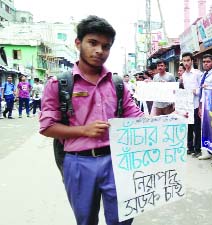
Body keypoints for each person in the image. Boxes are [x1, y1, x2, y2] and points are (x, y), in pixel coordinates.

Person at [39, 15, 143, 225]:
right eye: (93, 43)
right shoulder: (59, 83)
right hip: (78, 162)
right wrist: (84, 131)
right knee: (85, 220)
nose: (99, 51)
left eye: (106, 46)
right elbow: (47, 126)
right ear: (78, 43)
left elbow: (136, 117)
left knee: (123, 219)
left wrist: (169, 121)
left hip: (118, 161)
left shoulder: (117, 83)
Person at [181, 52, 202, 157]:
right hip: (187, 105)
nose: (186, 63)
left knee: (196, 128)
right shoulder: (183, 75)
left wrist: (196, 91)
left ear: (192, 61)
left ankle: (198, 149)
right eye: (184, 61)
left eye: (188, 60)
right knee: (188, 127)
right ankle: (190, 147)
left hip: (196, 104)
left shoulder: (197, 73)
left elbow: (202, 87)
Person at [197, 54, 212, 160]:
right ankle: (205, 150)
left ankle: (211, 151)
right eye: (204, 62)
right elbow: (201, 91)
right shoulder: (204, 74)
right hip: (203, 103)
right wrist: (200, 107)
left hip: (211, 105)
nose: (205, 64)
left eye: (208, 62)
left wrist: (208, 87)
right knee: (204, 127)